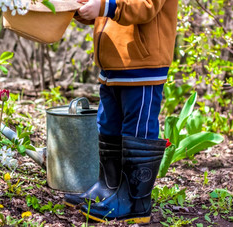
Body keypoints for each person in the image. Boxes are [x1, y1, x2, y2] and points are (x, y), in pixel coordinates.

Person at [64, 0, 178, 223]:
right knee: (108, 124)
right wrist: (80, 8)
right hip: (113, 63)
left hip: (143, 64)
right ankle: (108, 187)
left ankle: (135, 202)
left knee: (137, 130)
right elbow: (103, 10)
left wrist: (104, 7)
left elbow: (146, 6)